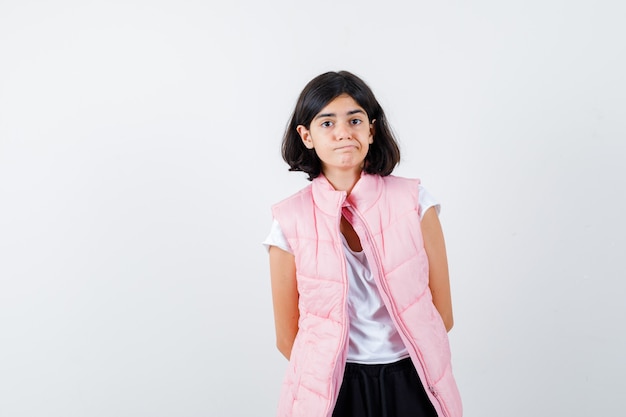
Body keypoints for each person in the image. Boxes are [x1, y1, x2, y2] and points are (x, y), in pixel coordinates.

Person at [263, 71, 462, 417]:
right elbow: (287, 337)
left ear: (371, 129)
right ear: (306, 136)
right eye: (327, 123)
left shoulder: (414, 202)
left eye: (354, 119)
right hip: (333, 386)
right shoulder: (289, 220)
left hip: (411, 377)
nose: (343, 132)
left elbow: (441, 314)